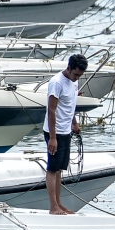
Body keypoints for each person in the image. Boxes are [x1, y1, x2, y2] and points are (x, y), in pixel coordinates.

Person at [44, 54, 87, 215]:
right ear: (69, 68)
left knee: (60, 168)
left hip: (66, 129)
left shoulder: (73, 81)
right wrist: (53, 138)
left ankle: (59, 204)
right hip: (54, 131)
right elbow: (51, 110)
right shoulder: (56, 83)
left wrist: (74, 123)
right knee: (52, 168)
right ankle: (53, 206)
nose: (77, 78)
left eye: (80, 75)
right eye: (76, 74)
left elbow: (70, 104)